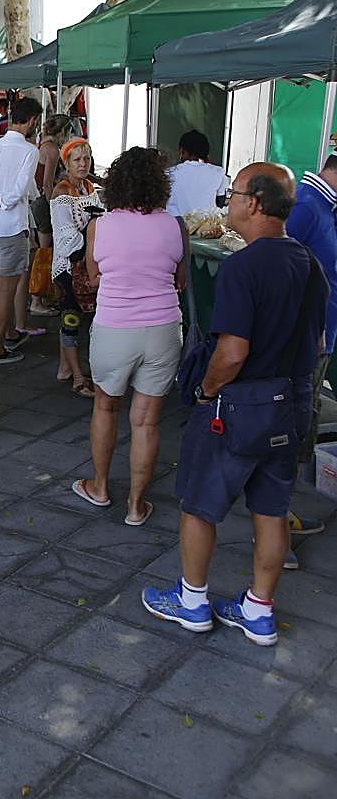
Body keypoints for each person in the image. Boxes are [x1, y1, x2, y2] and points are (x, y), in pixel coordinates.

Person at [142, 163, 328, 647]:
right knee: (272, 509)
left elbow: (232, 352)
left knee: (199, 505)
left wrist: (206, 391)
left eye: (233, 194)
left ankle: (192, 600)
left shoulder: (243, 266)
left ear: (255, 203)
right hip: (291, 402)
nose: (227, 202)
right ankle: (259, 610)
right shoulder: (309, 263)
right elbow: (318, 341)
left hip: (239, 404)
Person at [73, 147, 185, 526]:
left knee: (106, 407)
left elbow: (93, 278)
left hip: (114, 328)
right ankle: (137, 506)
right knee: (146, 422)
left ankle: (100, 488)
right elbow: (180, 281)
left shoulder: (100, 226)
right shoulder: (175, 225)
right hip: (164, 330)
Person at [284, 152, 337, 546]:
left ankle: (282, 511)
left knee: (305, 415)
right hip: (309, 336)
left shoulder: (322, 206)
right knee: (292, 421)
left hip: (321, 331)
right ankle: (274, 523)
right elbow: (286, 270)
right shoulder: (307, 206)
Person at [0, 96, 41, 366]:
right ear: (32, 120)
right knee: (7, 290)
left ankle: (9, 331)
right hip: (12, 227)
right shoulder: (29, 151)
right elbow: (19, 190)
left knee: (2, 283)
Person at [49, 137, 103, 397]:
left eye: (86, 159)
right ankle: (78, 377)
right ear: (66, 163)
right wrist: (93, 235)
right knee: (70, 320)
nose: (83, 164)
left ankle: (65, 368)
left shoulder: (89, 187)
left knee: (79, 319)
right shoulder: (62, 192)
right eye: (77, 160)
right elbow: (66, 238)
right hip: (68, 267)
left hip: (87, 262)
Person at [29, 113, 73, 316]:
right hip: (42, 203)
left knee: (45, 250)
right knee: (45, 252)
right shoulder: (52, 149)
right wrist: (54, 207)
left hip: (37, 202)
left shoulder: (42, 145)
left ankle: (43, 295)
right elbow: (47, 184)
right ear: (62, 132)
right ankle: (37, 299)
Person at [166, 130, 227, 217]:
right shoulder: (218, 172)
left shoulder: (169, 173)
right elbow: (220, 201)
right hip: (205, 224)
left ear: (182, 150)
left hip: (175, 223)